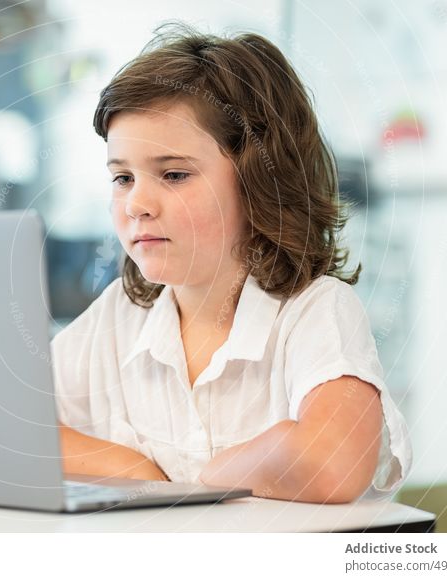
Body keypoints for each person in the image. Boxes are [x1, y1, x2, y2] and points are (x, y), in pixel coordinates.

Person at [51, 22, 412, 503]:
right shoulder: (118, 317)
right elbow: (2, 426)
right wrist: (133, 469)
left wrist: (202, 484)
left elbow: (333, 460)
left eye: (174, 174)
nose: (137, 202)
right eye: (122, 178)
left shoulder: (314, 312)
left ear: (259, 180)